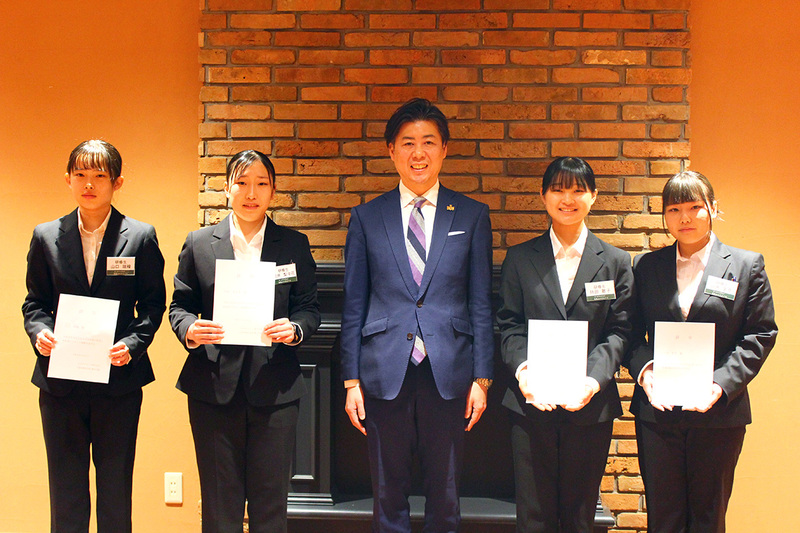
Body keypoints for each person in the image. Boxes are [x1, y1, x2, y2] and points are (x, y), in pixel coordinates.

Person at [341, 98, 494, 533]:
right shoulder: (367, 217)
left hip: (450, 373)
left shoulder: (472, 214)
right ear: (391, 150)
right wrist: (351, 381)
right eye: (407, 142)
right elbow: (354, 305)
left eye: (428, 142)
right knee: (387, 497)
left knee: (445, 496)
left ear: (444, 149)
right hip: (383, 371)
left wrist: (482, 378)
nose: (418, 153)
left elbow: (481, 303)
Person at [169, 149, 320, 533]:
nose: (251, 193)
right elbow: (180, 306)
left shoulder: (293, 244)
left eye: (261, 183)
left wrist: (295, 329)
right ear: (226, 188)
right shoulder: (199, 243)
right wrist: (189, 329)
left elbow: (309, 309)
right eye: (242, 182)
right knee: (220, 506)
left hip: (276, 390)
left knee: (271, 506)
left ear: (273, 191)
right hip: (212, 388)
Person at [22, 140, 166, 532]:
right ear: (68, 179)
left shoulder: (140, 236)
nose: (89, 184)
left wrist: (132, 345)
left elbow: (153, 305)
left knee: (115, 490)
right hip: (60, 383)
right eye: (81, 174)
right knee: (65, 491)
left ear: (117, 182)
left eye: (100, 175)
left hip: (118, 381)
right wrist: (40, 332)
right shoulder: (46, 235)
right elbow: (35, 303)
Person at [625, 170, 777, 533]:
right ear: (665, 216)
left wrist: (720, 384)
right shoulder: (647, 266)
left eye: (695, 207)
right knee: (663, 518)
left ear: (713, 208)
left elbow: (760, 334)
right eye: (674, 209)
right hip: (658, 412)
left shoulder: (745, 265)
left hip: (719, 413)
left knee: (709, 518)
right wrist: (646, 372)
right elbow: (629, 333)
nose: (685, 217)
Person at [496, 157, 634, 533]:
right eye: (558, 189)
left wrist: (592, 381)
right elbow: (509, 325)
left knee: (580, 517)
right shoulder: (520, 258)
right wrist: (524, 373)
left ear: (594, 196)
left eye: (577, 190)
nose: (567, 198)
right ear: (543, 196)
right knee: (533, 517)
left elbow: (620, 332)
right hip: (530, 404)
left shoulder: (617, 262)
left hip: (590, 407)